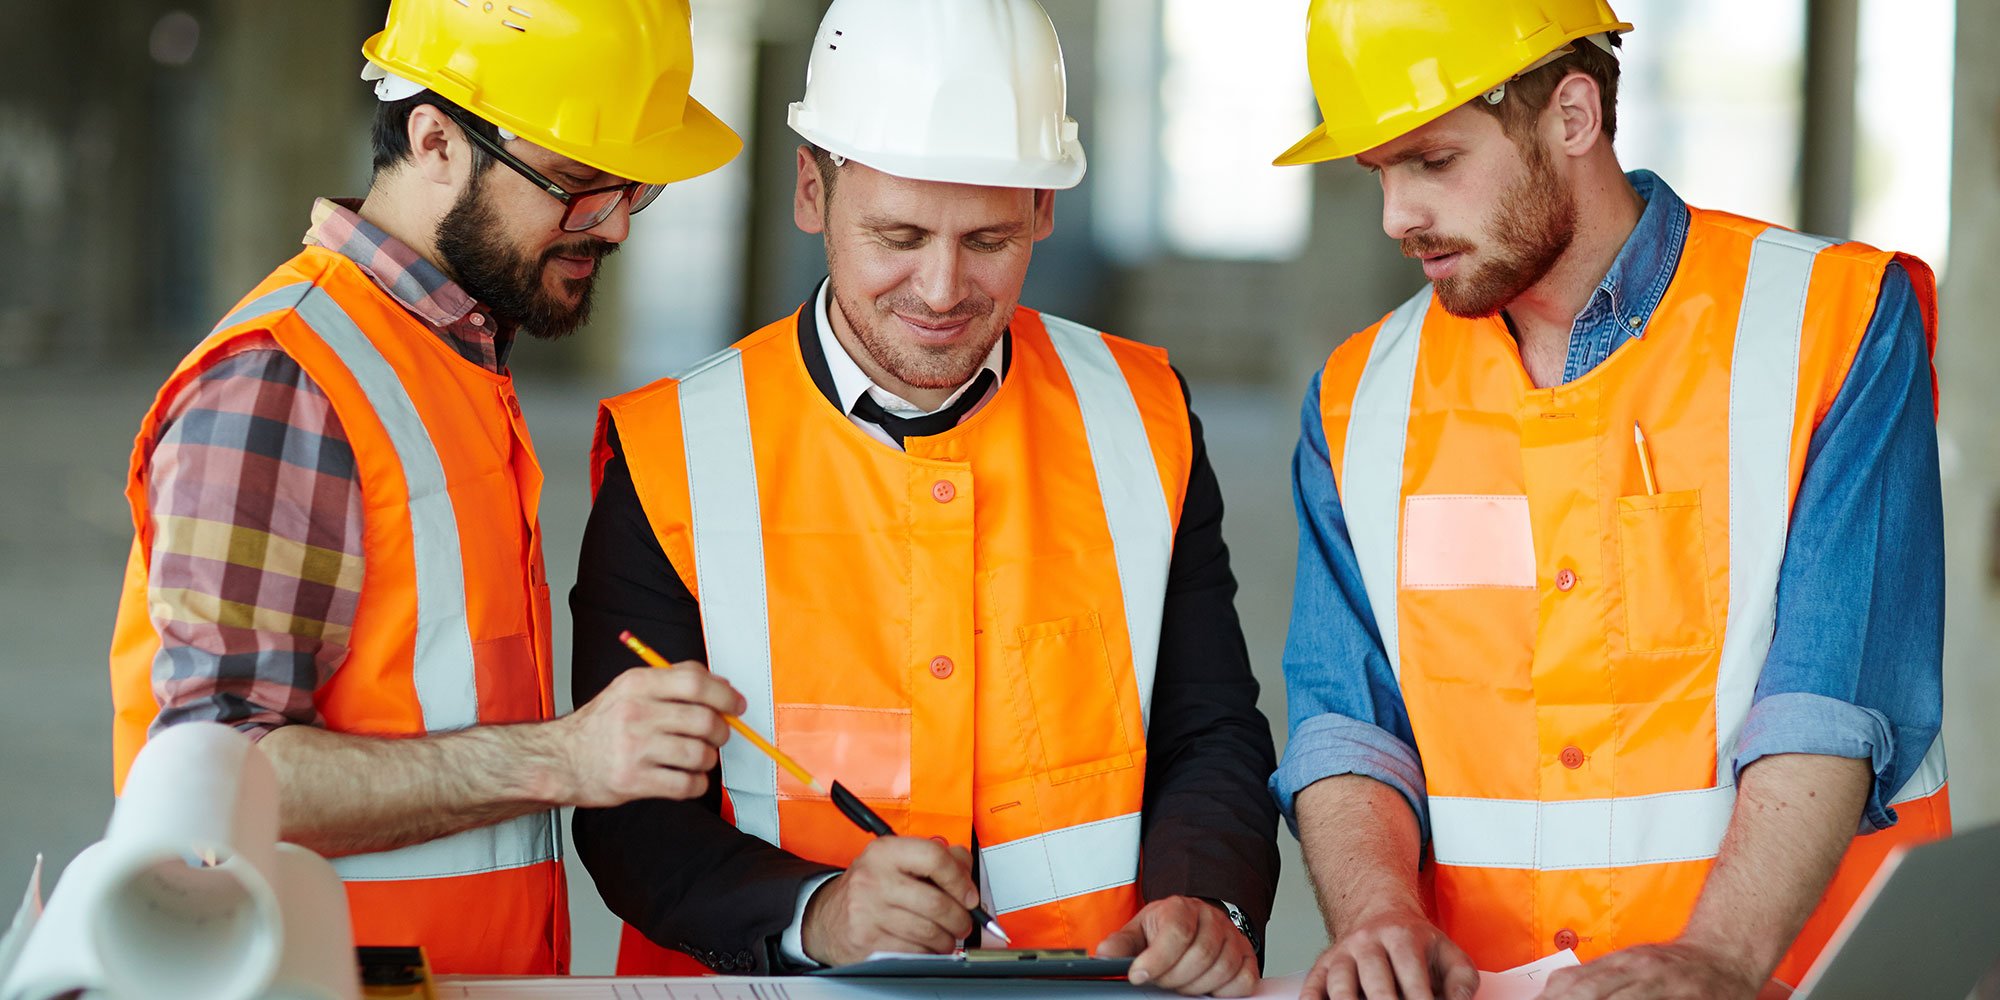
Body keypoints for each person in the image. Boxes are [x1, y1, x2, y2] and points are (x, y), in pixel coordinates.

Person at [567, 0, 1280, 994]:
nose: (941, 288)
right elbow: (628, 813)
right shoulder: (669, 454)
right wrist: (818, 912)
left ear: (1043, 209)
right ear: (811, 190)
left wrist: (1209, 899)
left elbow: (1206, 728)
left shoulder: (1139, 415)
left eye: (986, 238)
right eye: (897, 234)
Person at [1268, 2, 1951, 998]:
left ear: (1571, 116)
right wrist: (1377, 915)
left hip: (1795, 980)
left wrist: (1716, 953)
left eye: (1433, 161)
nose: (1395, 217)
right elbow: (1344, 721)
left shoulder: (1830, 325)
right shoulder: (1358, 393)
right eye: (1379, 171)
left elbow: (1830, 695)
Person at [106, 0, 746, 975]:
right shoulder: (287, 379)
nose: (612, 225)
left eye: (633, 189)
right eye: (576, 183)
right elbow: (214, 775)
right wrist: (564, 757)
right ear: (435, 138)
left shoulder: (451, 362)